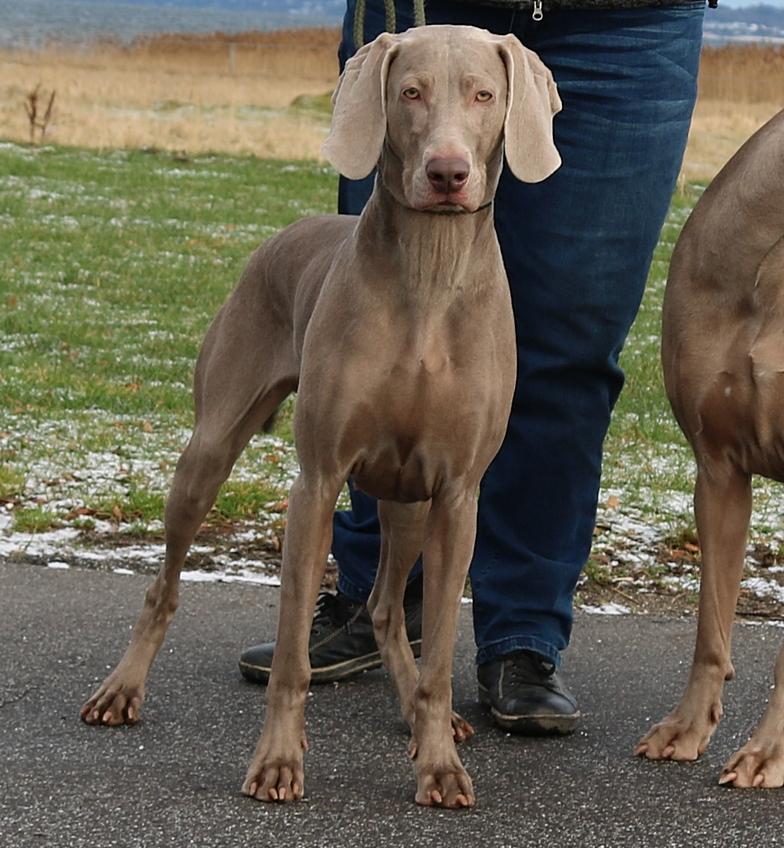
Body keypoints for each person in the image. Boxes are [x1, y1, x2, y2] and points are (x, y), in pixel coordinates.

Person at [240, 0, 707, 734]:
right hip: (431, 9)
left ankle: (522, 636)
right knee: (381, 325)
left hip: (628, 24)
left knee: (569, 347)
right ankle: (380, 597)